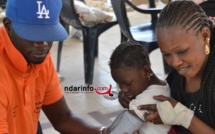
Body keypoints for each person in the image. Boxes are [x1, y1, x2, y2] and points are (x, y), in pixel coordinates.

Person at [0, 0, 107, 133]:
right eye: (33, 34)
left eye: (48, 33)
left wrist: (104, 132)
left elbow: (62, 118)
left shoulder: (38, 56)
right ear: (9, 26)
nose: (43, 44)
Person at [118, 1, 215, 134]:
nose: (175, 63)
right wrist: (137, 95)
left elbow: (180, 115)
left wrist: (185, 118)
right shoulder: (178, 79)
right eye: (166, 54)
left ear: (204, 36)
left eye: (182, 52)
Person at [107, 41, 171, 134]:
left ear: (146, 71)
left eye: (128, 83)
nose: (123, 89)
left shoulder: (145, 99)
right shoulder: (163, 86)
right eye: (119, 84)